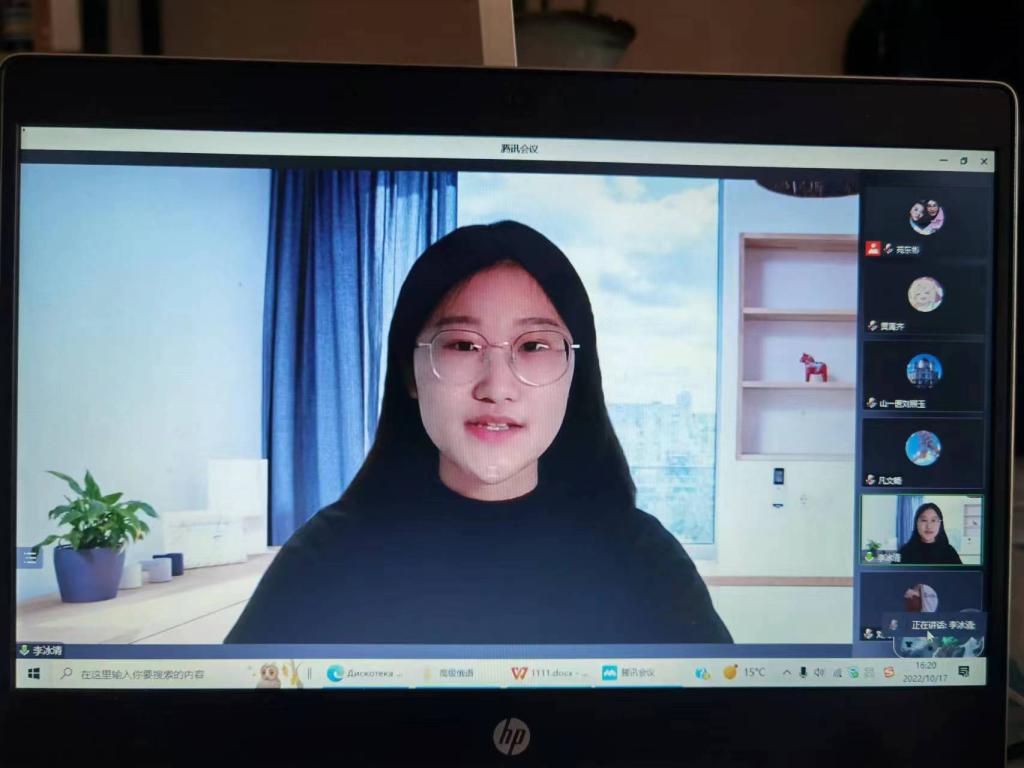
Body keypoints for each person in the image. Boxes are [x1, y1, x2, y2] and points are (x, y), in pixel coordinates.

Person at [225, 220, 732, 644]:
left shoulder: (643, 559)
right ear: (409, 374)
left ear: (574, 375)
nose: (497, 388)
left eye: (534, 346)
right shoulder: (324, 559)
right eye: (463, 345)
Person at [898, 502, 962, 565]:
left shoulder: (950, 552)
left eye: (933, 520)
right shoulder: (903, 552)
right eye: (924, 520)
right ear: (916, 523)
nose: (929, 526)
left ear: (940, 524)